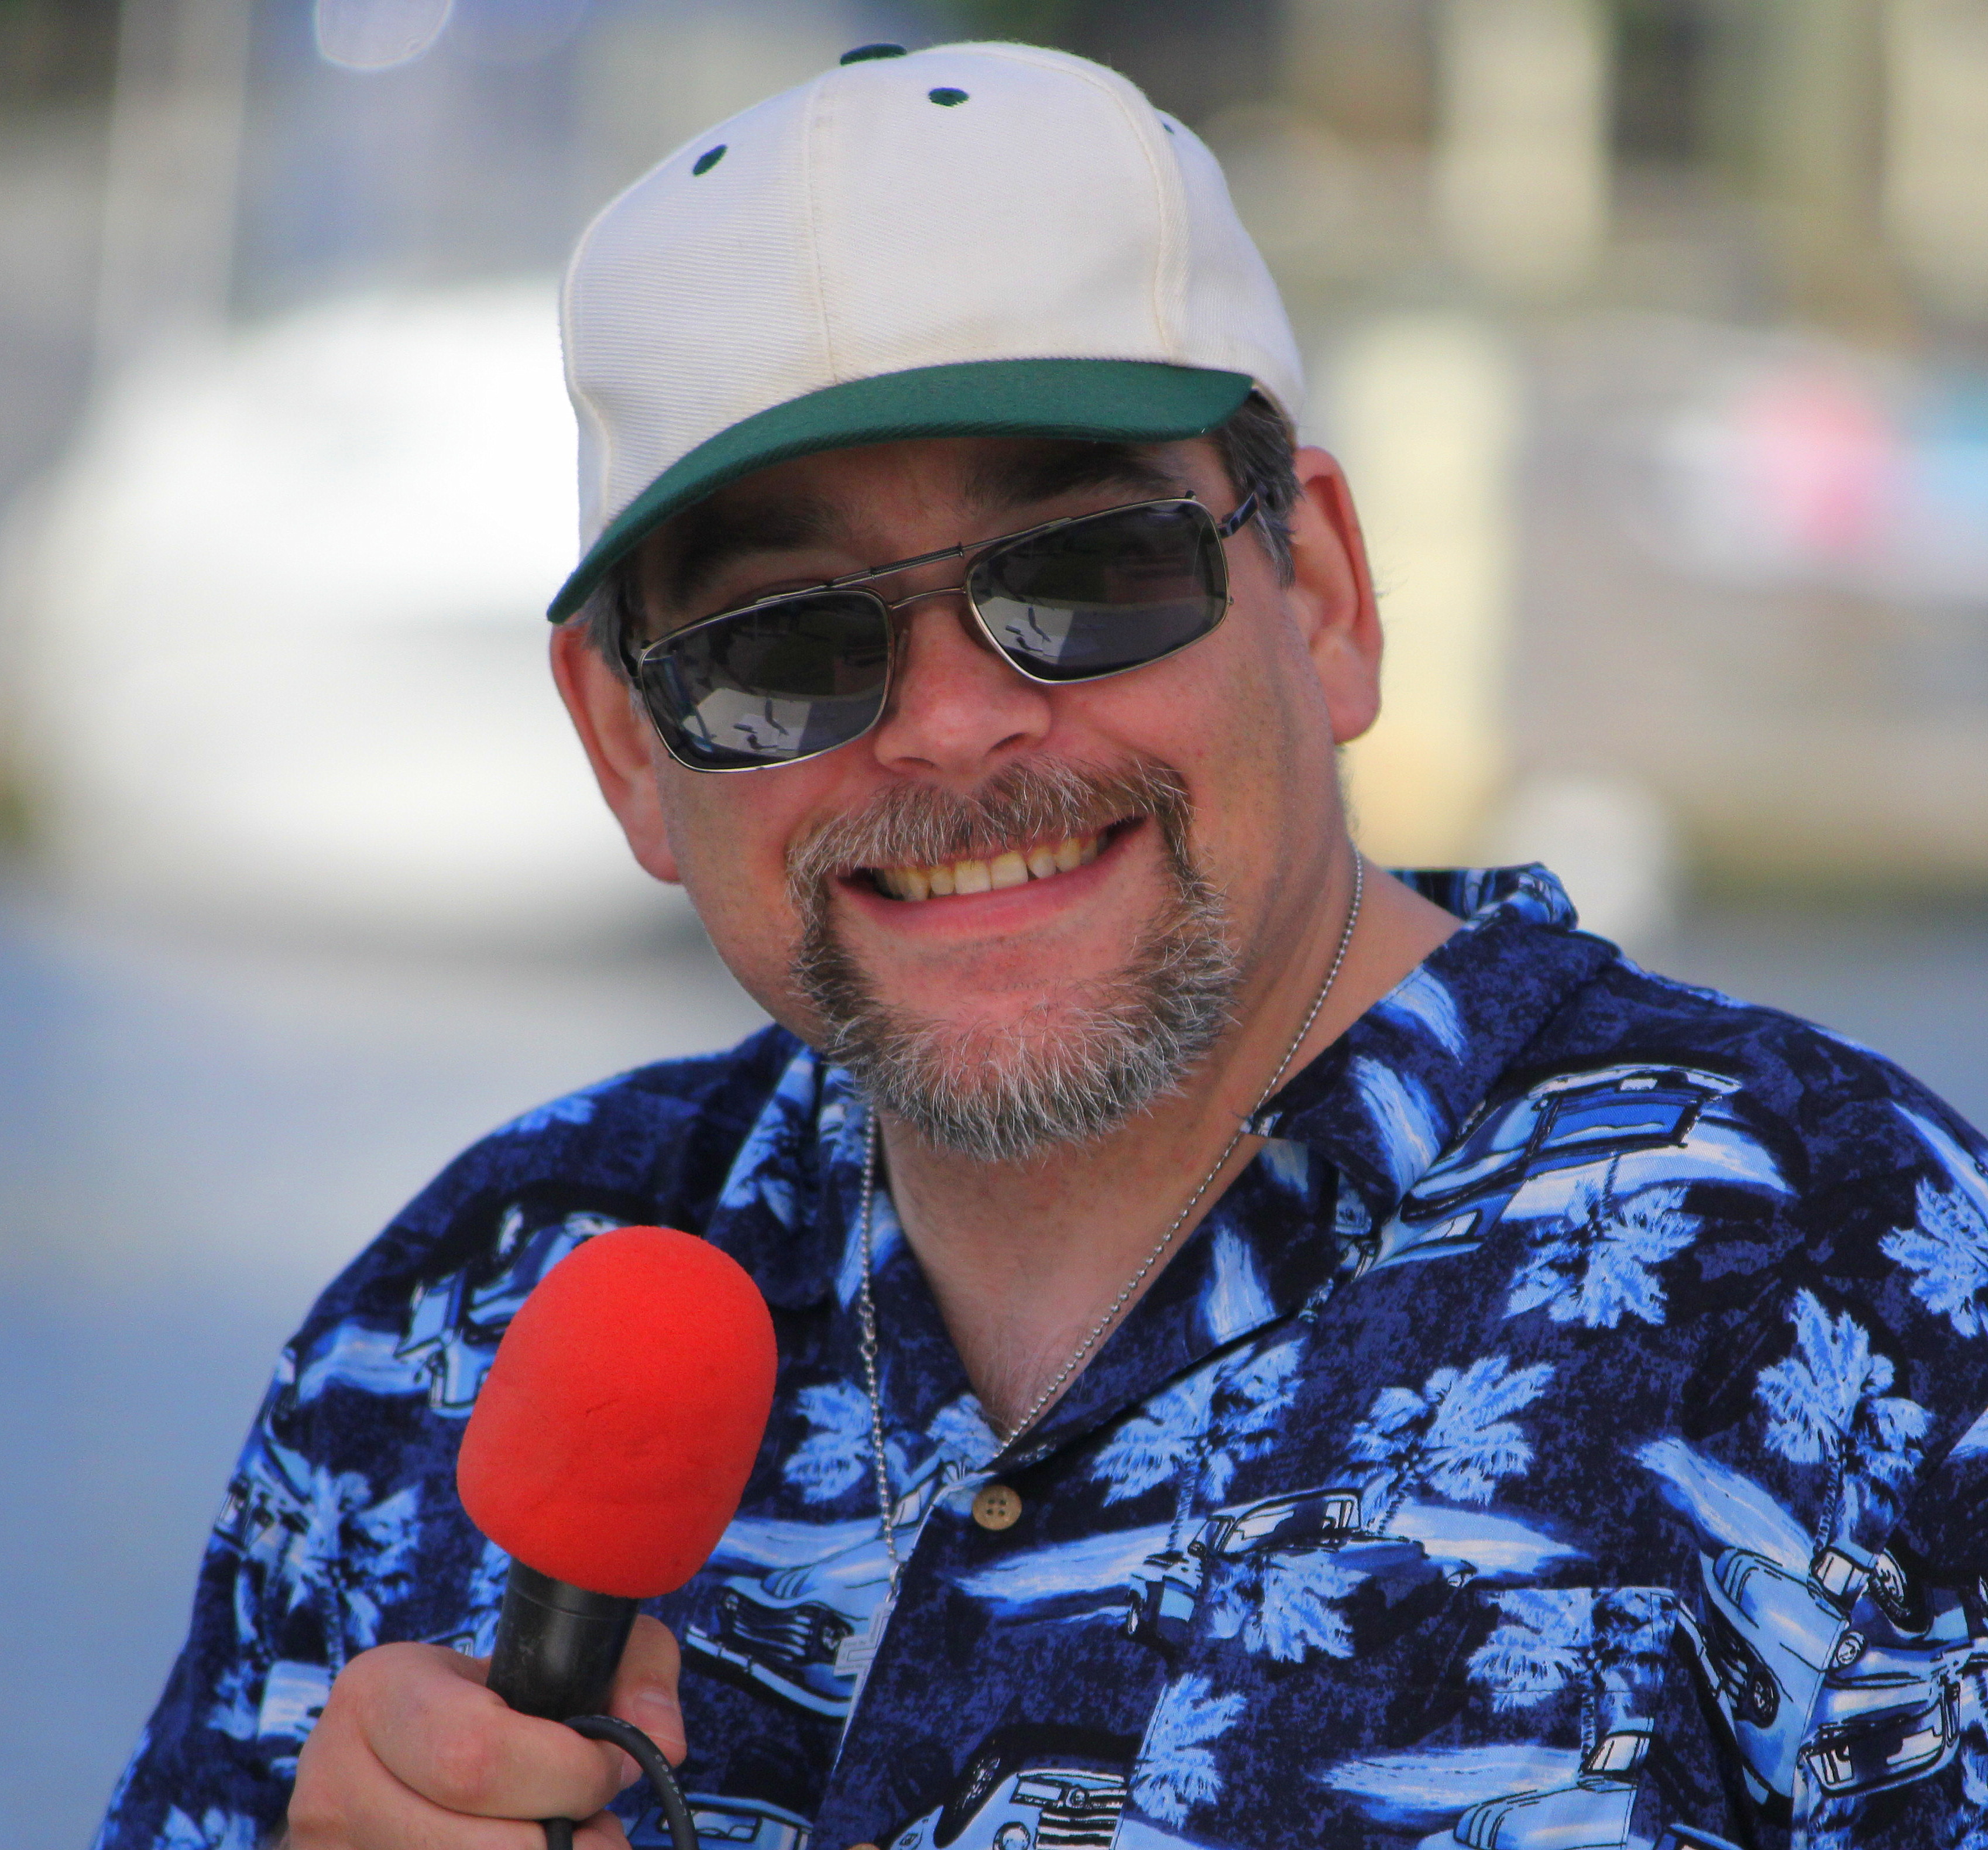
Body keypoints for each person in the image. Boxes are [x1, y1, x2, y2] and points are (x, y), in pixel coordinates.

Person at [97, 40, 1988, 1850]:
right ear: (625, 749)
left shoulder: (1863, 1295)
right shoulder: (449, 1320)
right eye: (782, 646)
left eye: (1084, 577)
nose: (951, 726)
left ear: (1324, 596)